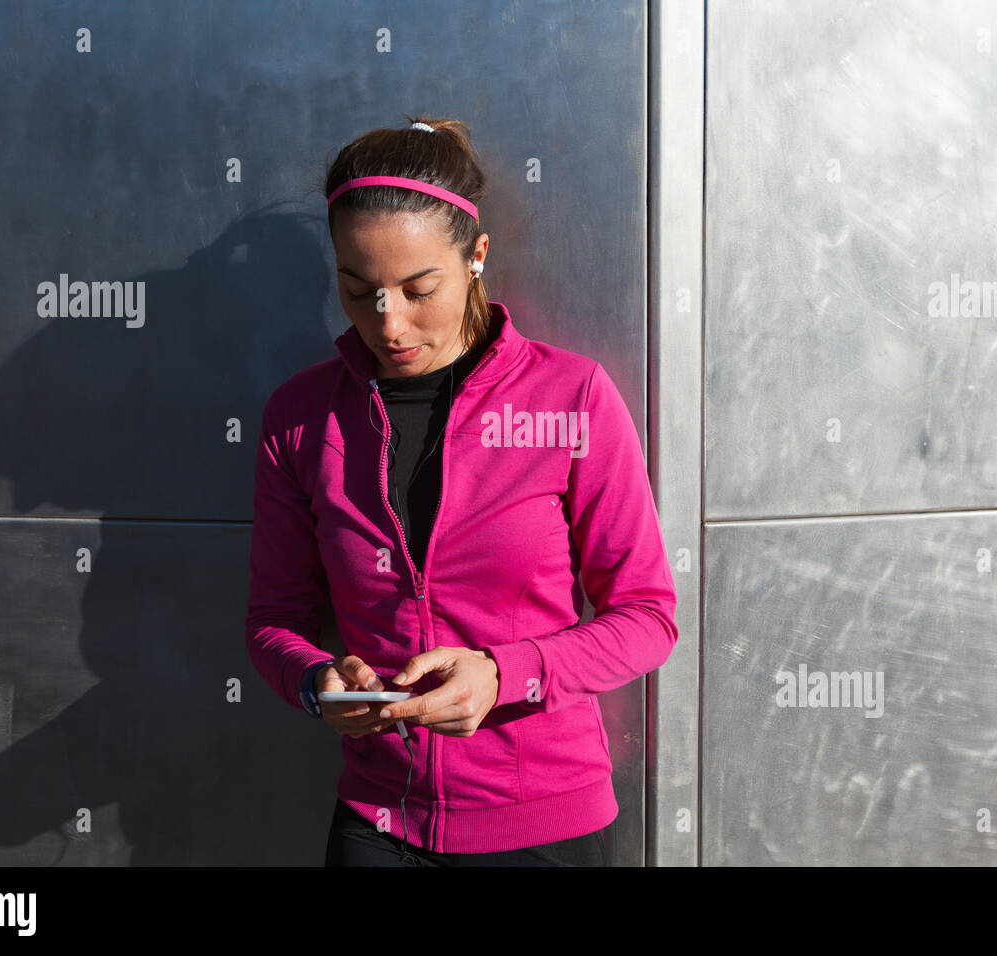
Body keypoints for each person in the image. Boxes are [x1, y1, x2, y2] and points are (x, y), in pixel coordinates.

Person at [244, 114, 678, 866]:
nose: (389, 323)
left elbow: (648, 617)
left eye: (419, 289)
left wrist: (506, 673)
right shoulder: (299, 417)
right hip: (377, 823)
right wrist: (321, 683)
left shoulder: (571, 397)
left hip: (545, 828)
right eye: (358, 291)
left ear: (476, 256)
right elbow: (274, 621)